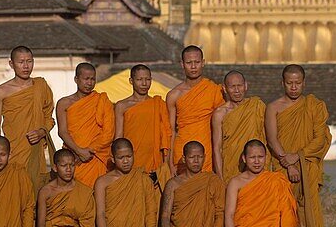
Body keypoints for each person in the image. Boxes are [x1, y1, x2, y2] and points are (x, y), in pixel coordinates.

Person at [265, 65, 331, 227]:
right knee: (283, 211)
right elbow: (272, 138)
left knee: (308, 211)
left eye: (297, 83)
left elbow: (319, 139)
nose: (293, 87)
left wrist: (298, 157)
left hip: (307, 166)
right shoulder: (273, 107)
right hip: (283, 165)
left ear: (304, 82)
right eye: (289, 83)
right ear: (282, 83)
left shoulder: (313, 106)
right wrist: (288, 161)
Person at [94, 138, 166, 227]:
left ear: (134, 154)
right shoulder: (102, 182)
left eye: (129, 157)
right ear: (113, 159)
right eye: (121, 158)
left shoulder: (143, 179)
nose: (126, 161)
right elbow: (100, 214)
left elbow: (151, 211)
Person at [225, 139, 297, 227]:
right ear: (244, 159)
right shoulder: (236, 183)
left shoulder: (276, 180)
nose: (257, 161)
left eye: (260, 157)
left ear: (266, 157)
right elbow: (229, 215)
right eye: (252, 157)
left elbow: (287, 213)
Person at [0, 46, 54, 191]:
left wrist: (41, 132)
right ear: (11, 64)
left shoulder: (40, 86)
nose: (26, 66)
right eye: (21, 62)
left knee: (34, 194)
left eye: (29, 61)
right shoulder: (1, 91)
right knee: (13, 193)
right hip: (13, 151)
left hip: (34, 151)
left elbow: (49, 119)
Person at [160, 141, 225, 227]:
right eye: (191, 157)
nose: (196, 161)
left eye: (200, 157)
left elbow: (220, 214)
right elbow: (165, 216)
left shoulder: (213, 181)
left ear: (204, 157)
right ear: (184, 159)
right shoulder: (173, 184)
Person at [35, 148, 98, 227]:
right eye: (64, 166)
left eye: (71, 165)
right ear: (55, 167)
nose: (69, 169)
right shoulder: (46, 191)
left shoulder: (84, 191)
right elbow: (40, 223)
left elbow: (85, 222)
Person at [55, 61, 115, 188]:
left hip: (95, 156)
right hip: (73, 157)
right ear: (76, 79)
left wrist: (88, 151)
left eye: (93, 79)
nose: (89, 83)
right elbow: (62, 132)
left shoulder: (102, 101)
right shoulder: (64, 103)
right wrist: (78, 151)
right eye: (86, 79)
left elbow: (108, 132)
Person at [167, 45, 224, 175]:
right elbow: (170, 131)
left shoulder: (214, 90)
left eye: (197, 62)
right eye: (189, 63)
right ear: (182, 64)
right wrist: (170, 163)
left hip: (207, 150)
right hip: (182, 150)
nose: (193, 67)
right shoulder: (174, 95)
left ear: (203, 63)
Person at [114, 64, 172, 186]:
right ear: (131, 81)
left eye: (147, 79)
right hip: (131, 158)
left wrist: (163, 166)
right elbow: (118, 136)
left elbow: (165, 136)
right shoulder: (122, 106)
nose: (144, 83)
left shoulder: (158, 105)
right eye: (140, 80)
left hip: (154, 161)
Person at [211, 70, 267, 182]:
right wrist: (220, 178)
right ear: (225, 88)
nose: (237, 91)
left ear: (245, 86)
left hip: (257, 166)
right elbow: (217, 148)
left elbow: (267, 138)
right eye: (232, 87)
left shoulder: (256, 106)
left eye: (240, 86)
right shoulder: (220, 114)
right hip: (231, 167)